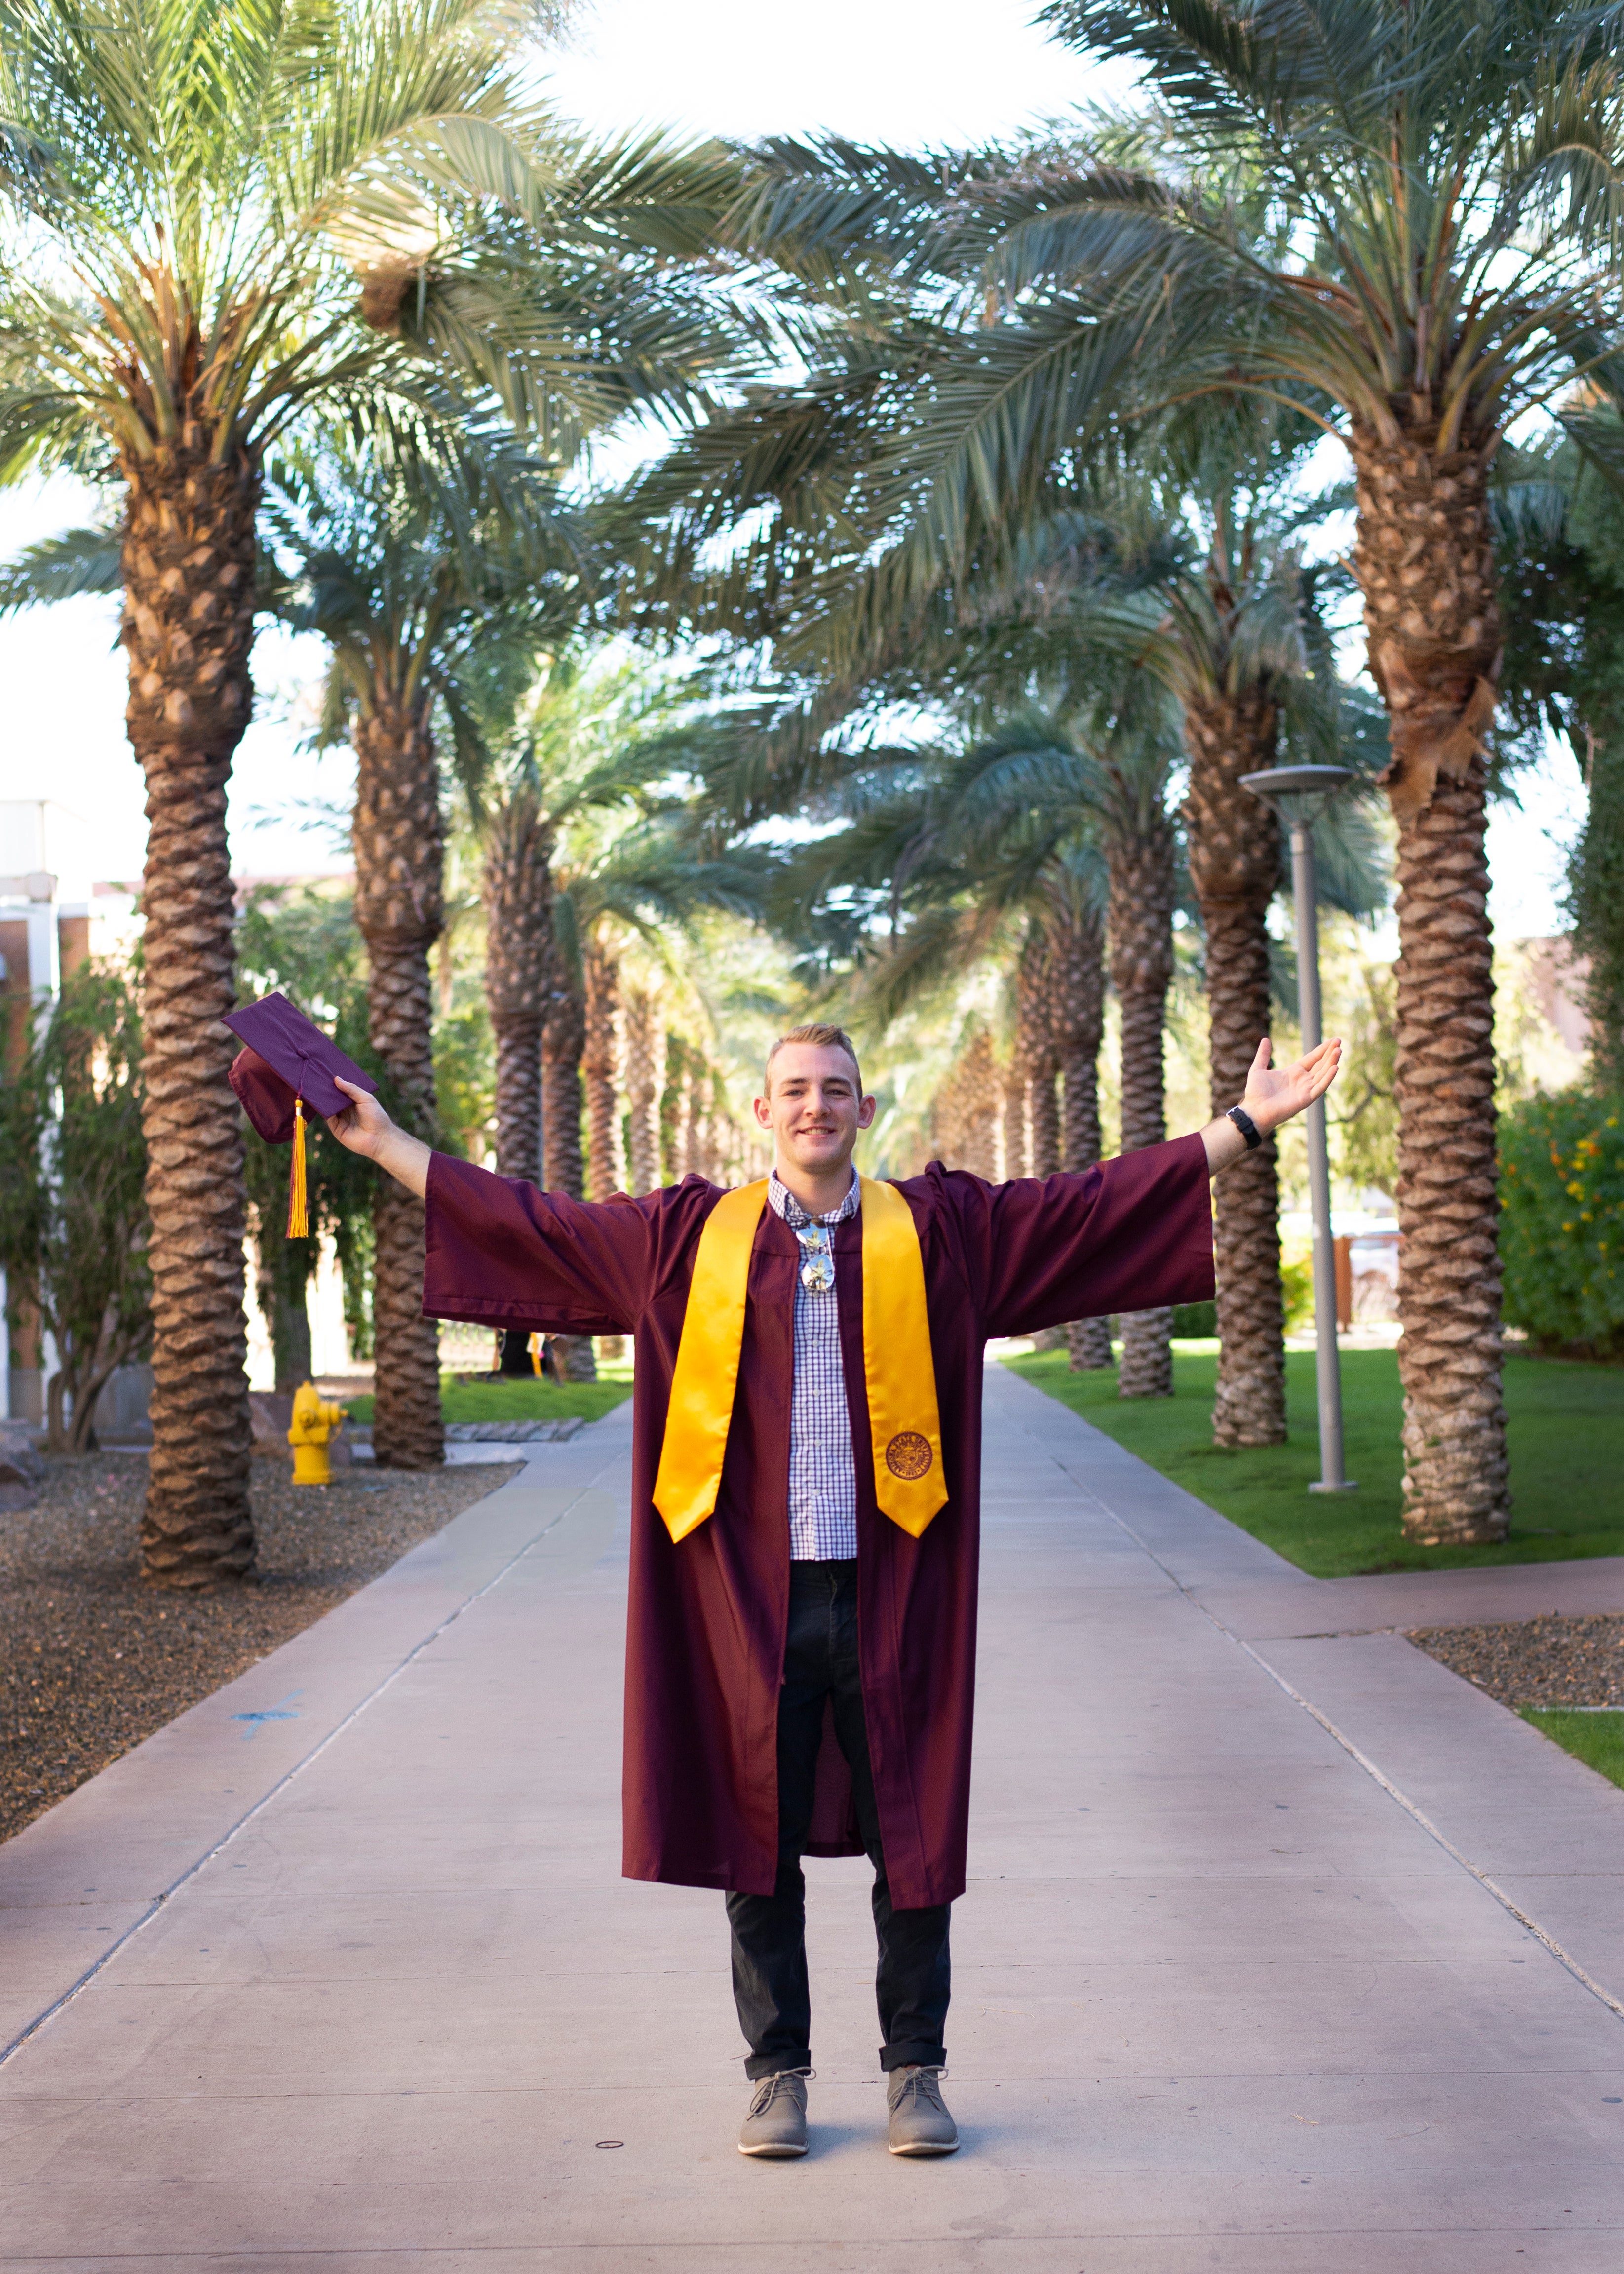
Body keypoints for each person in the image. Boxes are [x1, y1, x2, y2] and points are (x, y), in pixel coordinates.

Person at [326, 1021, 1340, 2160]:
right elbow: (532, 1222)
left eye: (836, 1089)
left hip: (894, 1586)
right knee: (751, 1832)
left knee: (912, 1829)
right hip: (738, 1594)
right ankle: (777, 2076)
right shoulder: (681, 1240)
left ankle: (917, 2070)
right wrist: (386, 1145)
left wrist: (1247, 1123)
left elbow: (1088, 1205)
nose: (815, 1105)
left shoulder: (941, 1233)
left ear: (864, 1110)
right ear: (762, 1112)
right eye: (794, 1089)